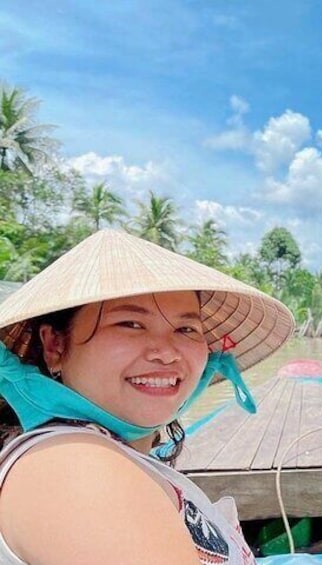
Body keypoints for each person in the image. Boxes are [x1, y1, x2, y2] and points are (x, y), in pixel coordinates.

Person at [0, 229, 296, 564]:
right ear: (55, 345)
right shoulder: (71, 466)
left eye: (186, 329)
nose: (167, 353)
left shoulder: (113, 457)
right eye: (130, 324)